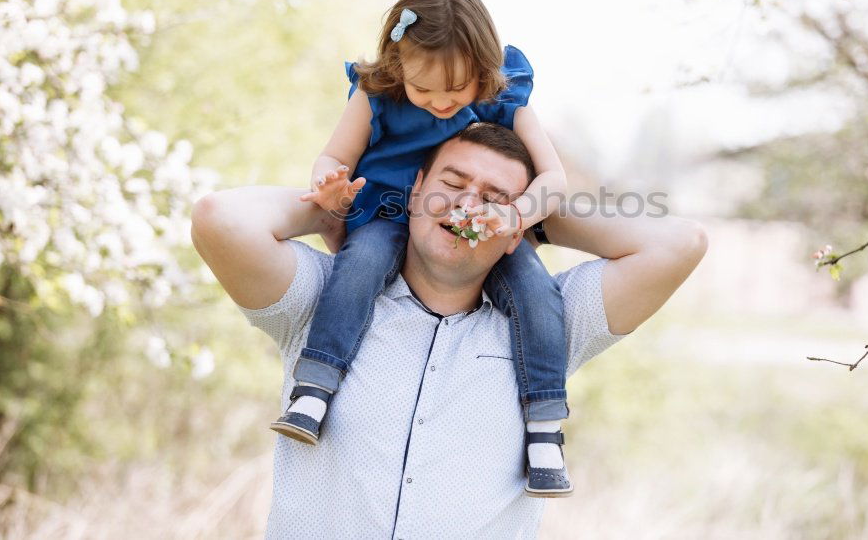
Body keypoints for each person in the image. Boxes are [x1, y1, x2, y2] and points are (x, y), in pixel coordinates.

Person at [191, 122, 708, 537]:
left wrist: (534, 215)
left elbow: (680, 242)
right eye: (452, 185)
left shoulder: (551, 326)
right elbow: (221, 218)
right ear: (415, 191)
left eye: (491, 196)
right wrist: (342, 205)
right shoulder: (324, 301)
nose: (467, 205)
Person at [274, 0, 574, 496]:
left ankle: (545, 425)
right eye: (423, 89)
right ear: (398, 67)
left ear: (483, 66)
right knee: (361, 266)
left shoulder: (504, 90)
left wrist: (517, 215)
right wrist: (329, 186)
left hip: (487, 220)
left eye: (457, 90)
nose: (440, 102)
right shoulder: (376, 95)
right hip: (391, 214)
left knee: (535, 288)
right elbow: (333, 156)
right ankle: (315, 388)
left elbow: (555, 178)